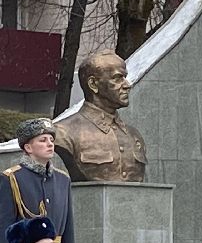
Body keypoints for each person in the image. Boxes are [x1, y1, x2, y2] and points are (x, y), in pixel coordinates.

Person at [0, 117, 76, 243]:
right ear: (28, 147)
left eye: (51, 140)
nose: (50, 144)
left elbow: (68, 232)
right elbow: (2, 232)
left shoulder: (62, 180)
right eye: (43, 140)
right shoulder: (12, 178)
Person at [53, 51, 147, 182]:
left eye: (125, 77)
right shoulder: (63, 133)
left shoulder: (134, 135)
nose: (127, 85)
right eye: (118, 78)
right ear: (93, 84)